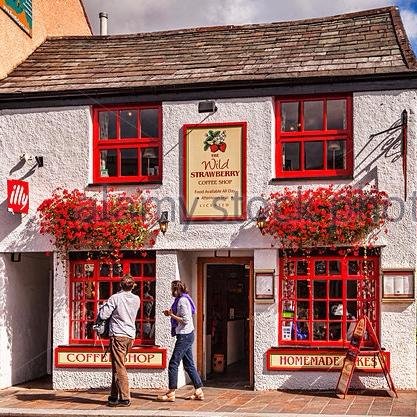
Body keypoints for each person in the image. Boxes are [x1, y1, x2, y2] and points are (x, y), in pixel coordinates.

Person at [158, 280, 204, 402]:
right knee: (189, 365)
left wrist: (171, 315)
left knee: (173, 363)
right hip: (186, 335)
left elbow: (185, 320)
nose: (171, 292)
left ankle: (171, 393)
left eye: (173, 289)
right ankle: (199, 390)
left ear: (177, 289)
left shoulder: (182, 301)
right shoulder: (183, 299)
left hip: (184, 336)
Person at [99, 274, 140, 407]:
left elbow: (104, 315)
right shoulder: (136, 299)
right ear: (132, 286)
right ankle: (113, 396)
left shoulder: (115, 298)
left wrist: (104, 306)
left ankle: (125, 398)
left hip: (118, 335)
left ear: (120, 285)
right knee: (116, 366)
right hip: (130, 336)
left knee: (119, 366)